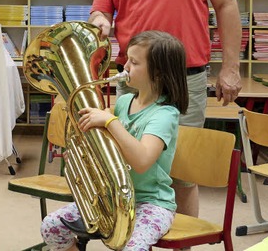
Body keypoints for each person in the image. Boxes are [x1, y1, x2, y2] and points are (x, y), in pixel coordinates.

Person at [88, 0, 243, 222]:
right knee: (131, 169)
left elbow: (226, 5)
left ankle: (181, 245)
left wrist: (230, 68)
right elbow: (101, 8)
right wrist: (101, 21)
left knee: (181, 173)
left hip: (185, 80)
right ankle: (135, 238)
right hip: (134, 82)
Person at [41, 30, 189, 251]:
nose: (125, 66)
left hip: (151, 203)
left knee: (132, 248)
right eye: (127, 59)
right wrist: (84, 158)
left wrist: (111, 122)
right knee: (51, 226)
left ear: (158, 73)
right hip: (111, 197)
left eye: (134, 62)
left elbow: (141, 161)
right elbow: (109, 149)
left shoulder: (164, 114)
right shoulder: (125, 101)